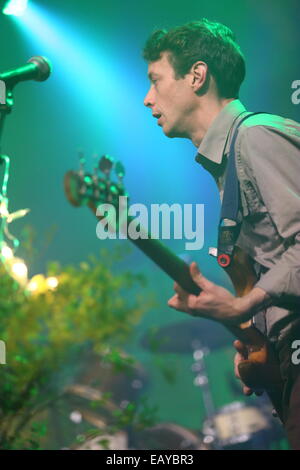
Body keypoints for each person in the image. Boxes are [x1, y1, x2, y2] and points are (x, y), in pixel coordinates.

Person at [142, 19, 300, 450]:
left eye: (155, 81)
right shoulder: (229, 161)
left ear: (196, 76)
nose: (147, 99)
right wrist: (255, 339)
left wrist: (244, 303)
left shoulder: (256, 137)